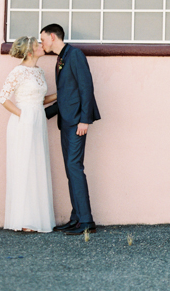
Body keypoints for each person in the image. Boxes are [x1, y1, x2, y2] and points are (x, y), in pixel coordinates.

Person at [41, 23, 101, 235]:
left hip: (77, 123)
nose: (42, 44)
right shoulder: (61, 58)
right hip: (66, 123)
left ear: (52, 37)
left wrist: (85, 120)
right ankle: (76, 218)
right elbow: (67, 97)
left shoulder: (75, 55)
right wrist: (38, 114)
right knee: (70, 169)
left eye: (42, 39)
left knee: (75, 167)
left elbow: (86, 87)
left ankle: (86, 221)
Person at [0, 36, 55, 233]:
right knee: (24, 165)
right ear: (30, 51)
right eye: (38, 44)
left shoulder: (39, 71)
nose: (42, 46)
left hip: (38, 118)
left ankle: (37, 218)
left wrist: (62, 94)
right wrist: (23, 115)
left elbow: (40, 99)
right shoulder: (18, 71)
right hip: (23, 121)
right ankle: (24, 219)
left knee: (36, 164)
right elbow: (3, 98)